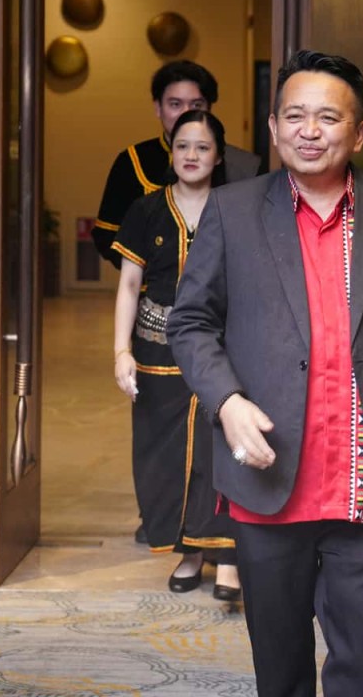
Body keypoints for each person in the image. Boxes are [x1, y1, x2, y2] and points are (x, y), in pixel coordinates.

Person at [167, 49, 363, 697]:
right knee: (281, 668)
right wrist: (227, 401)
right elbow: (191, 324)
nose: (310, 131)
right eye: (294, 116)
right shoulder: (233, 210)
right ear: (273, 128)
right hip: (269, 478)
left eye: (328, 117)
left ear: (360, 132)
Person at [111, 110, 240, 600]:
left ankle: (226, 556)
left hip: (217, 353)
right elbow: (129, 285)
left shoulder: (235, 209)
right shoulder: (146, 210)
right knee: (163, 459)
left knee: (217, 453)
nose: (191, 155)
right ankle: (188, 553)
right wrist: (121, 351)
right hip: (156, 353)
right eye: (183, 145)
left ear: (219, 156)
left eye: (203, 147)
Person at [93, 60, 264, 269]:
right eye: (175, 104)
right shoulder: (132, 161)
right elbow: (107, 235)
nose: (186, 113)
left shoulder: (243, 167)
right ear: (158, 108)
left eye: (196, 105)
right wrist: (151, 275)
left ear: (209, 109)